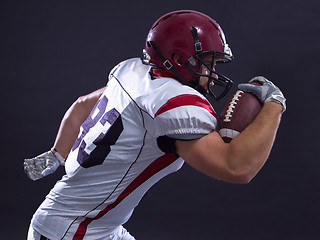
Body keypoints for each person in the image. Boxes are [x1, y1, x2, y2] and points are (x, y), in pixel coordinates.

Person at [24, 10, 286, 240]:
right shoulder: (174, 103)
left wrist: (57, 154)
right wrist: (274, 105)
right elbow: (237, 168)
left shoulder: (131, 72)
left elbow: (82, 104)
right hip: (74, 232)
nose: (214, 75)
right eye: (209, 64)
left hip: (88, 226)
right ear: (181, 60)